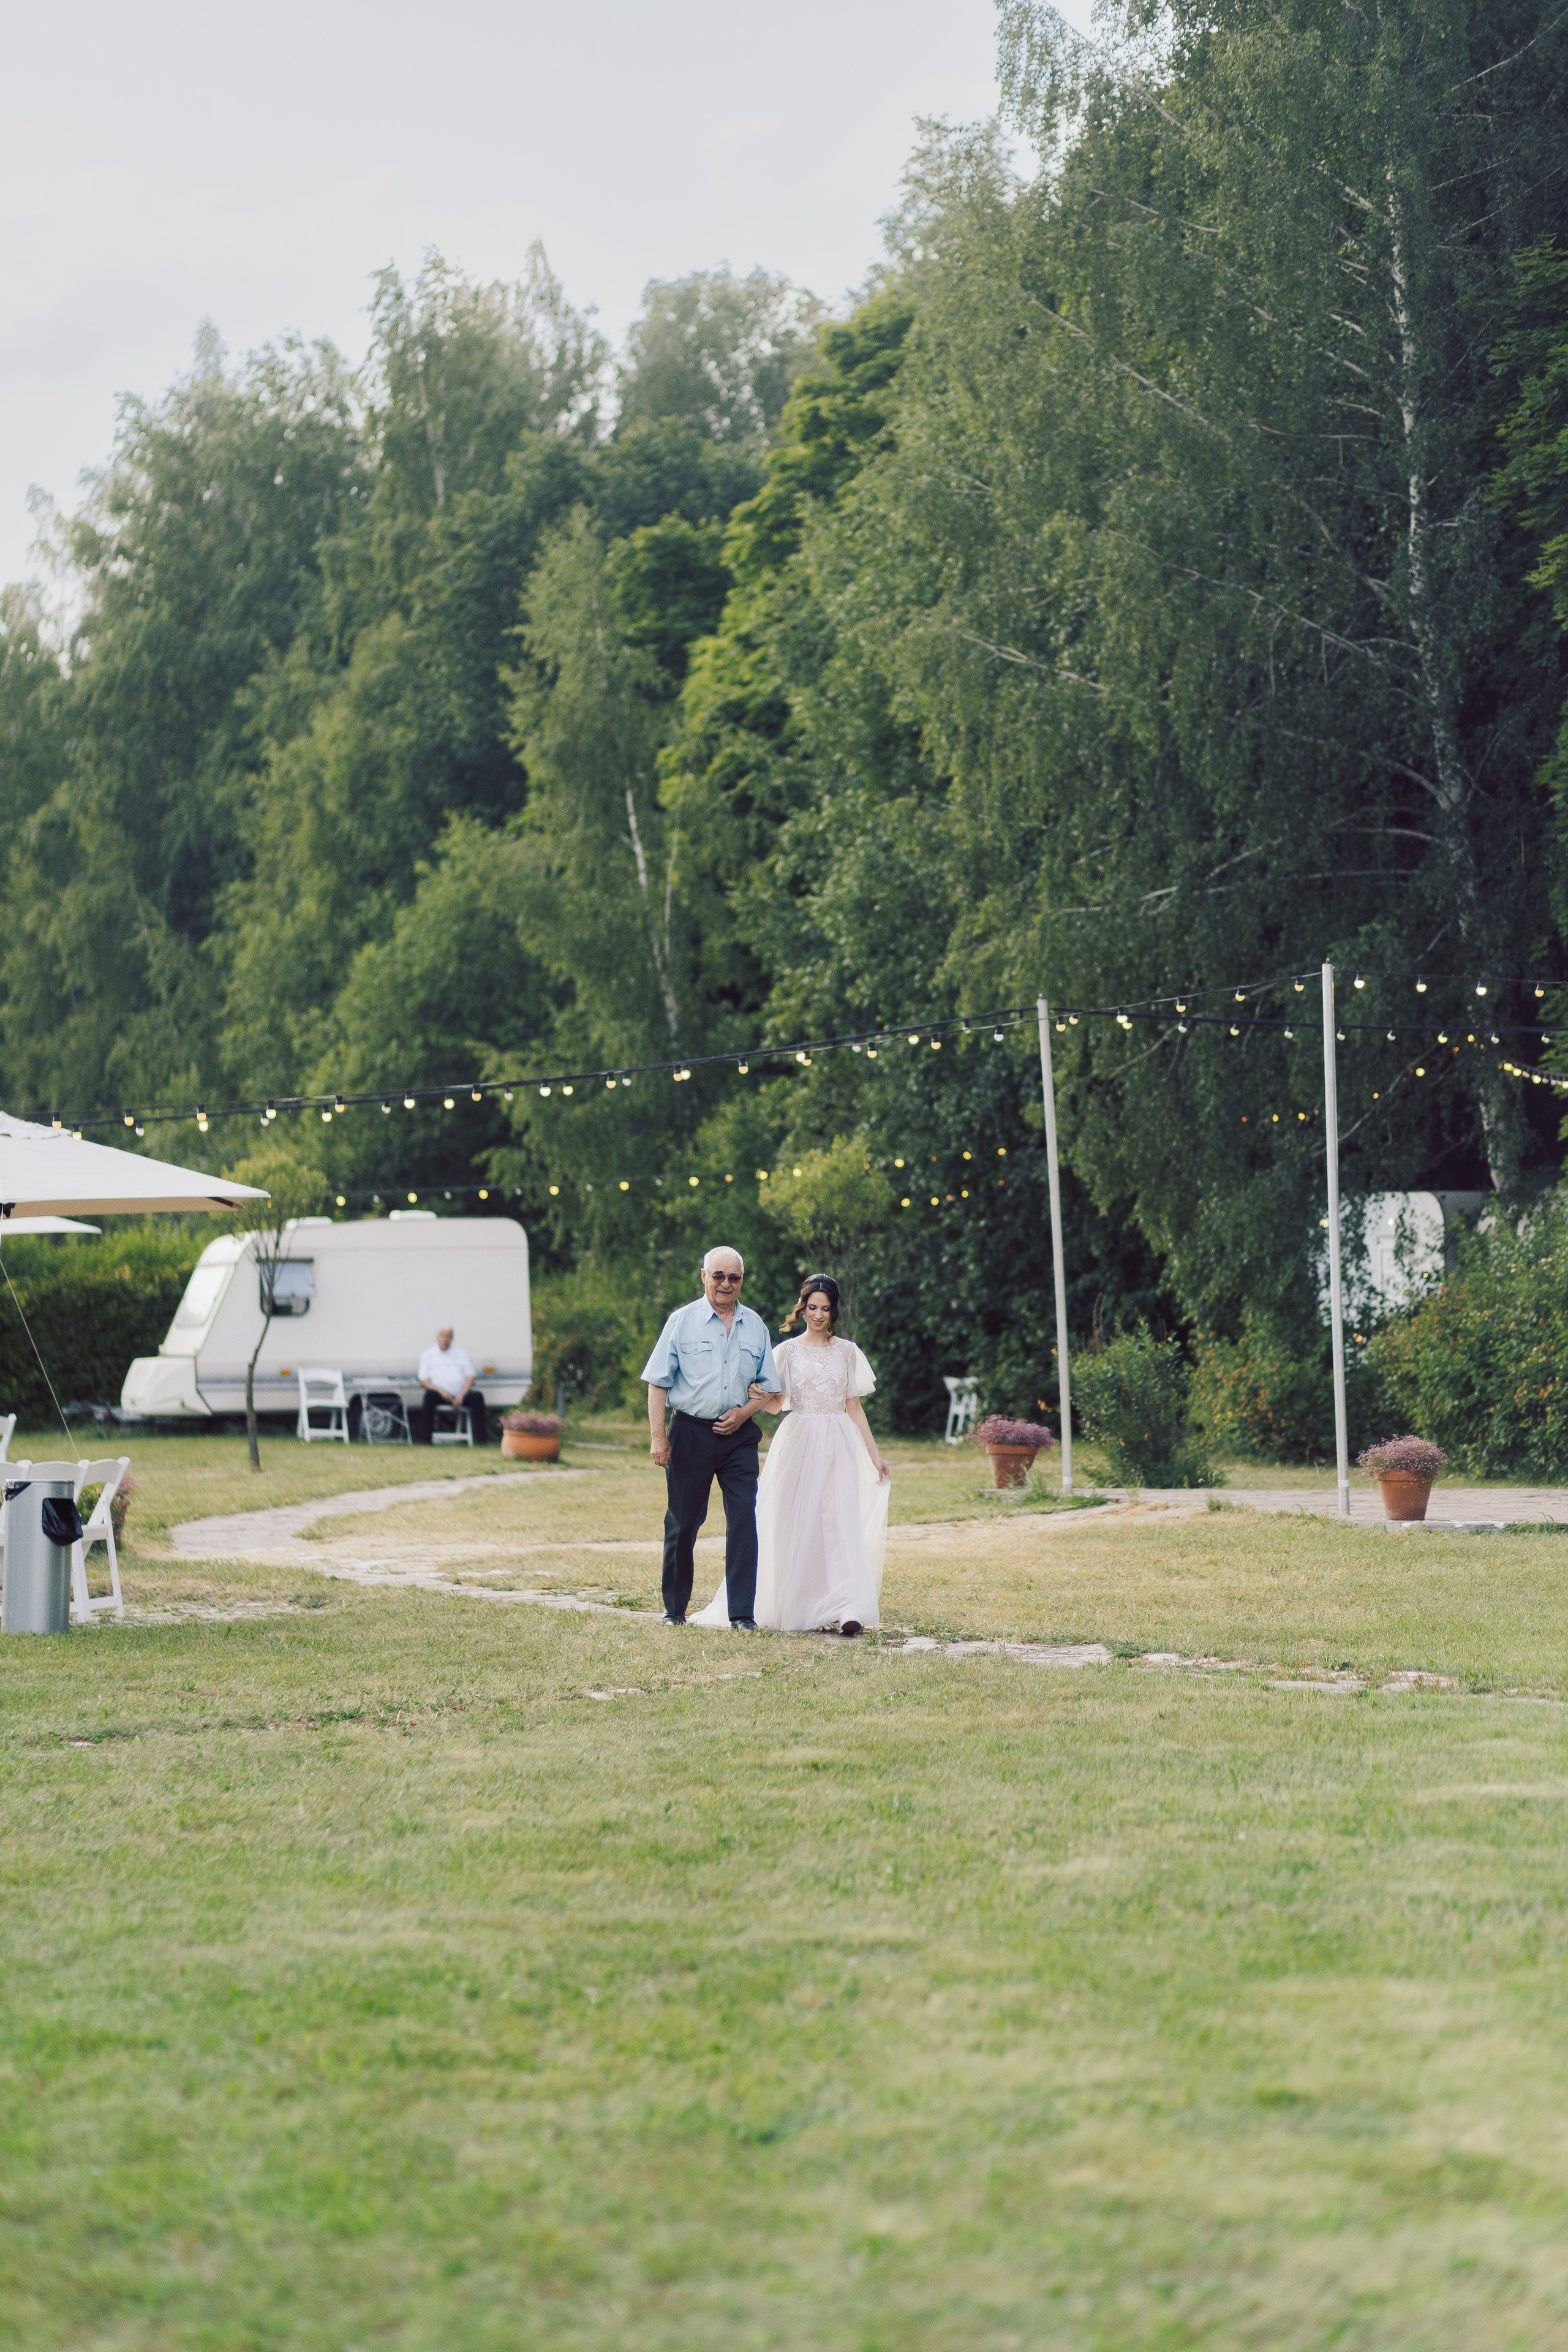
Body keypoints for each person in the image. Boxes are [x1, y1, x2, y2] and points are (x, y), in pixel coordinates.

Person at [691, 1273, 889, 1636]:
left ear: (833, 1312)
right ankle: (794, 1601)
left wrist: (873, 1455)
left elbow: (854, 1407)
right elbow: (777, 1404)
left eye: (825, 1309)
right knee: (793, 1519)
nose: (818, 1315)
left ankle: (847, 1606)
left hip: (838, 1439)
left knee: (838, 1519)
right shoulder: (787, 1351)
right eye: (812, 1308)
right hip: (799, 1439)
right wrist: (759, 1396)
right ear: (803, 1308)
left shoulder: (846, 1351)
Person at [642, 1246, 778, 1626]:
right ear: (704, 1276)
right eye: (718, 1276)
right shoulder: (681, 1322)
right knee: (684, 1522)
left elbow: (768, 1387)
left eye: (734, 1278)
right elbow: (657, 1384)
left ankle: (741, 1615)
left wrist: (744, 1414)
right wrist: (658, 1438)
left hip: (739, 1438)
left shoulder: (756, 1326)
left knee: (743, 1520)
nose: (725, 1284)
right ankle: (675, 1610)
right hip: (690, 1433)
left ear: (741, 1282)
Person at [417, 1324, 486, 1444]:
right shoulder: (428, 1355)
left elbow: (471, 1377)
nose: (445, 1339)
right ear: (437, 1337)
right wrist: (441, 1391)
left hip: (460, 1395)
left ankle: (481, 1440)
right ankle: (425, 1440)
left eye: (448, 1337)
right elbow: (424, 1381)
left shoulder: (461, 1353)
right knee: (429, 1397)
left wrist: (461, 1395)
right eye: (442, 1336)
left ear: (452, 1338)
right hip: (439, 1395)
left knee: (477, 1397)